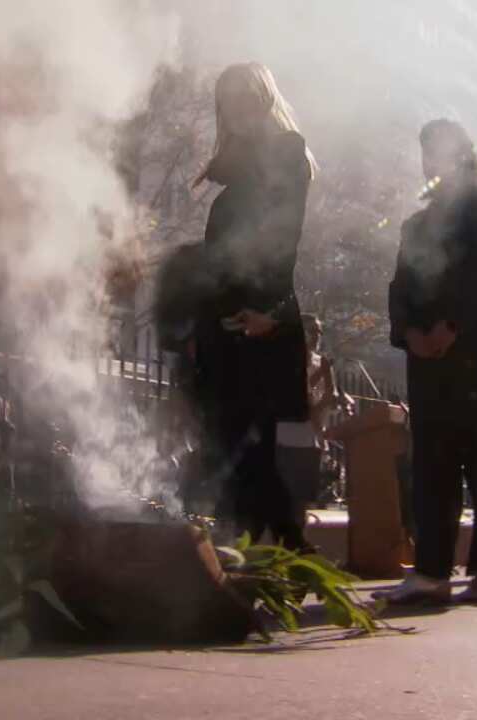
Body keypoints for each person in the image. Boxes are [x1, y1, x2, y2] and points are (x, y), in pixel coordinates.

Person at [379, 119, 477, 603]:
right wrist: (409, 333)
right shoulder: (415, 224)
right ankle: (431, 571)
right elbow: (401, 287)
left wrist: (451, 325)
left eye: (437, 149)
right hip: (429, 356)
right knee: (433, 462)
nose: (429, 160)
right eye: (424, 152)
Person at [191, 62, 316, 550]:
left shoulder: (286, 152)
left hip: (260, 319)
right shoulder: (235, 174)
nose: (234, 108)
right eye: (225, 99)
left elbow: (284, 236)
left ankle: (270, 553)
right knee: (236, 451)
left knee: (252, 452)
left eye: (244, 96)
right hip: (224, 323)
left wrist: (273, 311)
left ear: (264, 97)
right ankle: (269, 554)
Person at [275, 315, 343, 533]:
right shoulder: (283, 360)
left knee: (302, 501)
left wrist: (321, 404)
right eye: (311, 331)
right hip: (283, 437)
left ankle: (297, 548)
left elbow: (330, 394)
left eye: (319, 332)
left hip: (310, 438)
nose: (316, 337)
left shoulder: (322, 362)